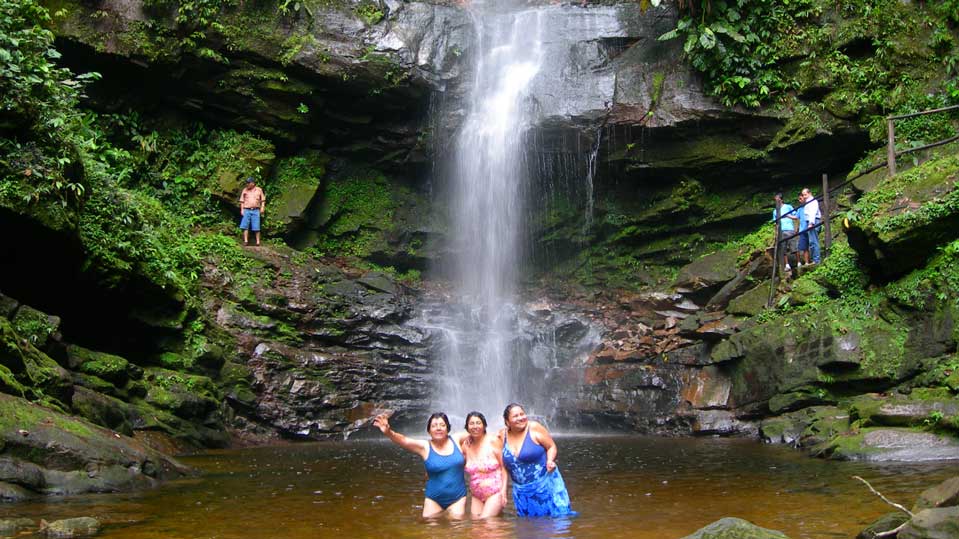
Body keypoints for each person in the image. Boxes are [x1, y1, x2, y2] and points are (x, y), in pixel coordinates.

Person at [373, 412, 468, 519]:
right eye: (434, 426)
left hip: (457, 498)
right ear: (429, 430)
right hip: (434, 498)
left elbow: (477, 433)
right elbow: (404, 440)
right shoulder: (425, 447)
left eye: (442, 425)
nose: (438, 428)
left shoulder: (457, 439)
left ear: (448, 428)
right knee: (429, 530)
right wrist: (388, 432)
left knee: (456, 528)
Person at [500, 403, 575, 517]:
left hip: (545, 485)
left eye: (522, 414)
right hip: (522, 492)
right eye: (516, 416)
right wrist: (469, 439)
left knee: (556, 523)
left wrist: (550, 460)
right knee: (528, 528)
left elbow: (551, 446)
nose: (521, 418)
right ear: (507, 422)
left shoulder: (534, 427)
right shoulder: (502, 435)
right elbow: (502, 465)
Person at [460, 412, 508, 519]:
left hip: (495, 492)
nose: (475, 426)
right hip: (476, 494)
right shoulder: (466, 445)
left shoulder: (494, 441)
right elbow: (456, 464)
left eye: (478, 423)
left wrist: (504, 491)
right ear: (467, 427)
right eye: (471, 423)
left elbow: (504, 467)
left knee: (486, 522)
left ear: (484, 425)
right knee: (476, 528)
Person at [772, 193, 797, 272]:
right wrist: (776, 233)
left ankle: (799, 262)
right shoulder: (775, 211)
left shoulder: (788, 207)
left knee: (794, 247)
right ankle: (787, 265)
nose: (776, 201)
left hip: (790, 229)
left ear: (781, 199)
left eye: (777, 199)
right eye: (775, 200)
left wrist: (796, 227)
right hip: (781, 231)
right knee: (783, 248)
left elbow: (795, 216)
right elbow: (775, 223)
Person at [239, 177, 265, 246]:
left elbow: (262, 200)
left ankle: (258, 242)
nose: (247, 184)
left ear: (253, 183)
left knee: (256, 226)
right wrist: (242, 210)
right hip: (246, 209)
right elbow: (242, 201)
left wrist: (262, 207)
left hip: (256, 210)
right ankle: (246, 241)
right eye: (247, 183)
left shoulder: (259, 190)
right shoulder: (245, 190)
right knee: (245, 226)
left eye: (248, 183)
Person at [801, 187, 822, 264]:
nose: (804, 196)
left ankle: (816, 260)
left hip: (813, 221)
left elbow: (812, 212)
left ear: (810, 193)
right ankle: (815, 259)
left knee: (814, 241)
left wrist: (811, 223)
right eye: (803, 195)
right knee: (812, 241)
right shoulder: (808, 202)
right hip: (811, 221)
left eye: (805, 194)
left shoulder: (812, 201)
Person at [796, 191, 809, 266]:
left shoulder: (809, 205)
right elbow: (796, 217)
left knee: (811, 244)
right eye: (799, 199)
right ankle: (807, 262)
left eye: (800, 198)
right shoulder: (800, 209)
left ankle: (814, 260)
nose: (799, 200)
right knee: (804, 247)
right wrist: (787, 216)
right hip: (802, 230)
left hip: (809, 228)